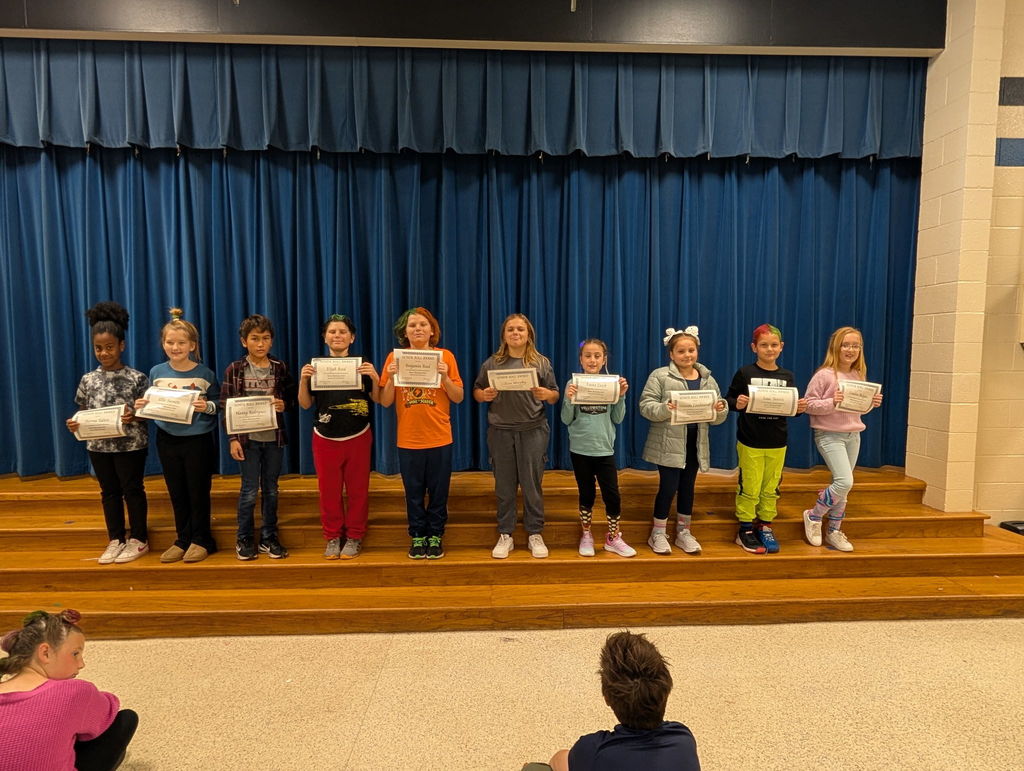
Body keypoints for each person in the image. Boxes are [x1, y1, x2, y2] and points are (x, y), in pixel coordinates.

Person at [0, 609, 138, 771]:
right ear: (45, 653)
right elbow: (109, 708)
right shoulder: (74, 692)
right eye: (75, 654)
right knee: (126, 719)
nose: (81, 664)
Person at [66, 302, 150, 565]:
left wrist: (134, 415)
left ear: (121, 346)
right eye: (98, 348)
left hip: (131, 446)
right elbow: (82, 409)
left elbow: (149, 411)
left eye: (109, 347)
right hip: (99, 447)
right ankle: (116, 538)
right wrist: (75, 424)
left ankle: (139, 539)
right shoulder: (88, 379)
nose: (104, 353)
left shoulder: (137, 378)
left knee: (132, 489)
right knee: (108, 492)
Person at [135, 308, 219, 564]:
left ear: (192, 345)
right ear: (163, 344)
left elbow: (219, 405)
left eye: (181, 342)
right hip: (167, 439)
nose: (176, 347)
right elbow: (152, 403)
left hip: (198, 440)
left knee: (198, 490)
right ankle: (182, 539)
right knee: (176, 491)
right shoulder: (157, 372)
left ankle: (202, 539)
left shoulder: (205, 374)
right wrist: (142, 406)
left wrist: (208, 407)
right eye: (170, 342)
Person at [379, 308, 464, 560]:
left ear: (432, 330)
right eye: (412, 325)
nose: (418, 328)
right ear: (404, 332)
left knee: (439, 492)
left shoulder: (445, 356)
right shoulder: (394, 359)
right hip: (408, 439)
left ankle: (436, 534)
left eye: (423, 324)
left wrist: (444, 377)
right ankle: (417, 535)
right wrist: (392, 377)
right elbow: (384, 402)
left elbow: (458, 397)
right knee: (413, 492)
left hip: (439, 437)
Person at [548, 631, 700, 771]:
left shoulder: (593, 750)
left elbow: (557, 761)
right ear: (666, 691)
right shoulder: (683, 739)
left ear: (606, 697)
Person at [473, 313, 559, 559]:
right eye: (511, 329)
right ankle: (505, 533)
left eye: (520, 329)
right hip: (500, 432)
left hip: (533, 430)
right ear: (504, 335)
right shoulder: (492, 363)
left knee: (532, 485)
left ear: (528, 334)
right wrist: (484, 396)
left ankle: (534, 532)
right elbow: (477, 391)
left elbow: (555, 394)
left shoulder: (541, 362)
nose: (516, 333)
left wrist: (547, 395)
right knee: (504, 485)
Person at [639, 326, 728, 556]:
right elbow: (645, 407)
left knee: (688, 488)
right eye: (681, 351)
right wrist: (665, 409)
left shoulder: (708, 379)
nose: (687, 355)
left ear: (697, 351)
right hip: (668, 444)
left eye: (691, 350)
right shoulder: (660, 376)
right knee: (668, 488)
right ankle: (657, 533)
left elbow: (719, 416)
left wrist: (720, 408)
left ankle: (683, 532)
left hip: (695, 444)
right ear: (671, 354)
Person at [298, 314, 380, 560]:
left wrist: (375, 378)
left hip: (358, 435)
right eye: (332, 331)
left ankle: (354, 536)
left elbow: (377, 399)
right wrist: (304, 380)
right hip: (325, 437)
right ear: (325, 337)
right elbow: (304, 404)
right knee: (329, 491)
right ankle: (332, 537)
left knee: (358, 491)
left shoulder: (363, 365)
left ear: (352, 337)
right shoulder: (315, 367)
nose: (337, 335)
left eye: (343, 331)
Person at [724, 324, 807, 554]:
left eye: (773, 345)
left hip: (778, 441)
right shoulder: (745, 373)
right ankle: (745, 528)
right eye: (763, 345)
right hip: (750, 440)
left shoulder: (787, 376)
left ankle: (766, 524)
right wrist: (736, 403)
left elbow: (791, 409)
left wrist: (799, 407)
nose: (769, 349)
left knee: (771, 486)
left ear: (781, 347)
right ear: (754, 347)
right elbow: (729, 400)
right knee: (749, 485)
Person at [801, 326, 883, 552]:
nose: (851, 350)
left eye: (855, 345)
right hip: (829, 435)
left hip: (853, 435)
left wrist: (869, 403)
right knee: (844, 482)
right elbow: (808, 404)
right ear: (836, 347)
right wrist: (831, 402)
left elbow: (854, 410)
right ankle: (814, 515)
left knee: (844, 487)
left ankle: (834, 530)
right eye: (846, 345)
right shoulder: (824, 374)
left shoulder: (858, 375)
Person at [220, 314, 295, 561]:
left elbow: (292, 398)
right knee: (250, 490)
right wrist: (232, 439)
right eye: (255, 339)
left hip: (274, 438)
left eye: (265, 338)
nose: (260, 344)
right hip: (247, 440)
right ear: (244, 342)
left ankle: (268, 537)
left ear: (271, 341)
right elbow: (226, 406)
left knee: (272, 489)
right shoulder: (235, 369)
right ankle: (243, 538)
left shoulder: (279, 367)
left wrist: (285, 405)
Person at [560, 339, 635, 557]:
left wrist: (621, 397)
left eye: (597, 356)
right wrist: (569, 399)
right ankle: (586, 534)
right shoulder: (571, 384)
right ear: (580, 360)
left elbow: (618, 418)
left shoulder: (612, 383)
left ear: (604, 359)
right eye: (588, 356)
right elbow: (566, 419)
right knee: (586, 494)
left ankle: (613, 537)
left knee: (613, 496)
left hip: (604, 450)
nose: (592, 360)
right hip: (580, 450)